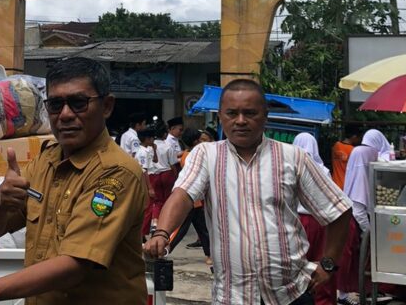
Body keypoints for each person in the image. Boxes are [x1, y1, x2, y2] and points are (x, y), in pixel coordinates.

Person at [0, 57, 149, 304]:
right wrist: (1, 199)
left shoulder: (115, 173)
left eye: (78, 103)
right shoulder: (45, 161)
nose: (65, 115)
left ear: (106, 106)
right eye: (55, 104)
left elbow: (75, 264)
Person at [145, 79, 352, 305]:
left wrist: (328, 264)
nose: (240, 121)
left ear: (265, 115)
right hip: (233, 297)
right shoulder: (206, 154)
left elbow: (339, 209)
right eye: (232, 113)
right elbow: (182, 195)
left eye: (250, 113)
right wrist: (161, 233)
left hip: (290, 294)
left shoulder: (293, 157)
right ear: (220, 116)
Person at [337, 129, 392, 303]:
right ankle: (344, 293)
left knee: (354, 259)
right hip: (355, 221)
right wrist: (369, 231)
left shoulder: (358, 160)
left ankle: (355, 290)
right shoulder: (362, 168)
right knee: (352, 259)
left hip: (351, 219)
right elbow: (359, 207)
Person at [292, 132, 337, 305]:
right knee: (322, 262)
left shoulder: (290, 166)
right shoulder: (323, 170)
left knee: (297, 264)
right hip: (321, 222)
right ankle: (323, 300)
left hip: (297, 221)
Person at [167, 128, 211, 267]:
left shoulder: (185, 154)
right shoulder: (192, 157)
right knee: (181, 228)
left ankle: (210, 254)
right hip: (191, 199)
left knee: (202, 228)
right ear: (196, 141)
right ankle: (164, 248)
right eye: (201, 140)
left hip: (195, 200)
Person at [332, 124, 364, 189]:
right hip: (347, 186)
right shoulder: (353, 150)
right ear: (354, 136)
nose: (359, 140)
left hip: (334, 184)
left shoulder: (336, 145)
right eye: (359, 137)